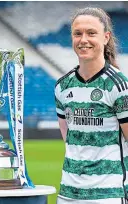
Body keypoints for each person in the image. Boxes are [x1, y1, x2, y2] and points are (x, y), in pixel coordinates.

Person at [55, 7, 128, 204]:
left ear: (106, 37)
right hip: (68, 194)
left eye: (91, 33)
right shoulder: (63, 86)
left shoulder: (118, 85)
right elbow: (69, 139)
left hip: (108, 195)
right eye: (77, 33)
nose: (83, 39)